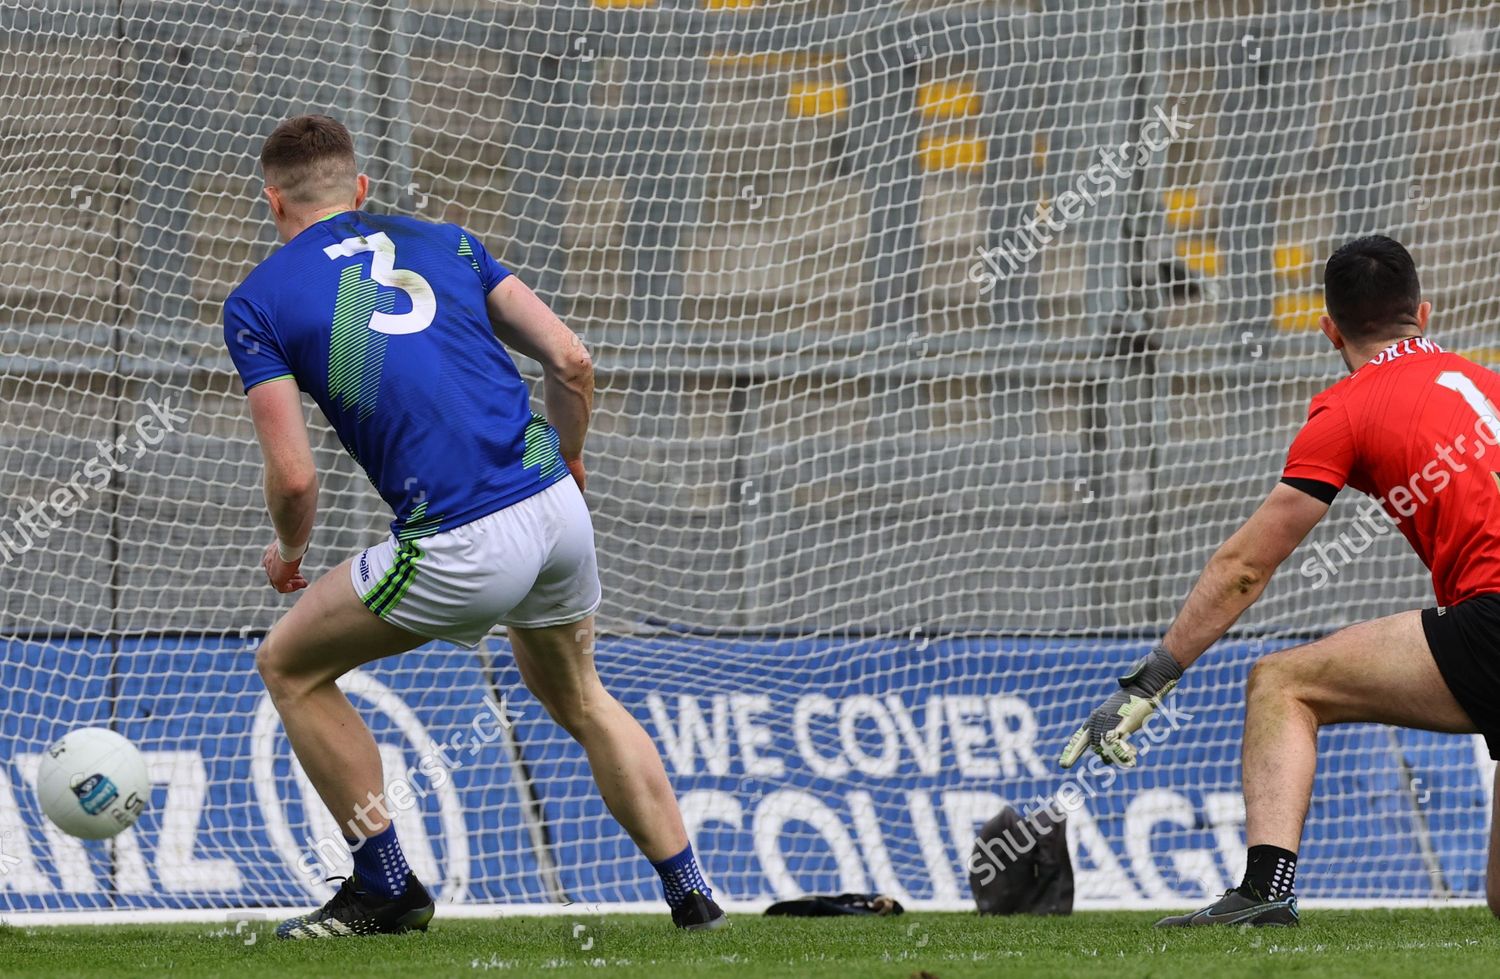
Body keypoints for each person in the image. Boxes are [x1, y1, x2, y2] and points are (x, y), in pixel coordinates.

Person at [224, 114, 726, 939]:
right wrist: (569, 457)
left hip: (461, 536)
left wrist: (289, 553)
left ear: (273, 202)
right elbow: (570, 358)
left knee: (287, 666)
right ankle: (692, 895)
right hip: (555, 511)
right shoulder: (449, 240)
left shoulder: (259, 300)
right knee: (581, 696)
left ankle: (386, 887)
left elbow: (296, 474)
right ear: (359, 190)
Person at [1061, 235, 1500, 926]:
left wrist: (1154, 677)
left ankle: (1265, 891)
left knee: (1281, 682)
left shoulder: (1348, 407)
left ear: (1329, 329)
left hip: (1493, 618)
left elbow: (1245, 567)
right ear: (1425, 311)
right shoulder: (1489, 382)